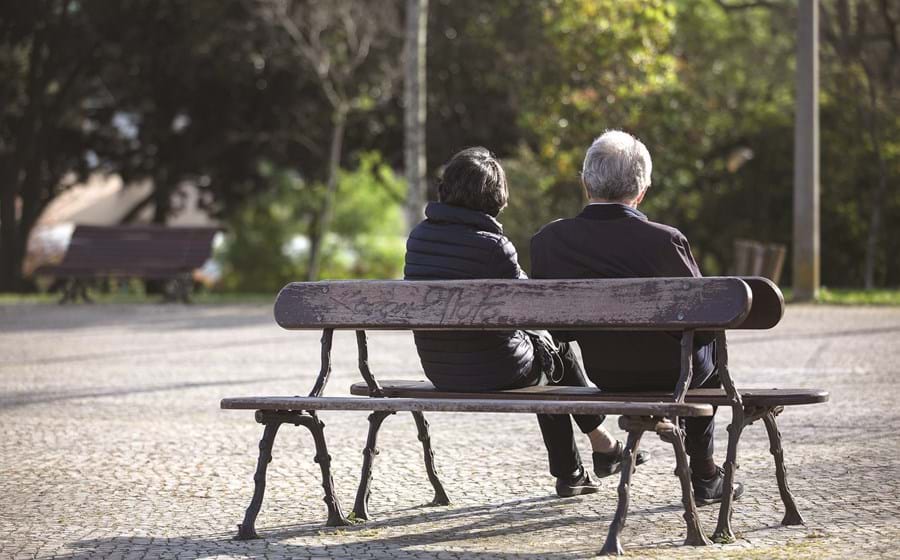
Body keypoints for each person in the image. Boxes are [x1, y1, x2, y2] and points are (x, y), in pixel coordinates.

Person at [405, 146, 649, 497]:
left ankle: (585, 463)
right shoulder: (493, 247)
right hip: (493, 370)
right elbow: (536, 308)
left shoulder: (418, 239)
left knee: (545, 357)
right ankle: (594, 451)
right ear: (495, 196)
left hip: (441, 368)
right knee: (553, 353)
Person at [530, 130, 744, 504]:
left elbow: (560, 330)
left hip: (606, 372)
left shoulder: (549, 241)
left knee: (695, 354)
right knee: (702, 354)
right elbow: (705, 321)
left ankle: (700, 468)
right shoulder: (665, 241)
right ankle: (705, 473)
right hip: (674, 376)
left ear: (585, 184)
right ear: (641, 190)